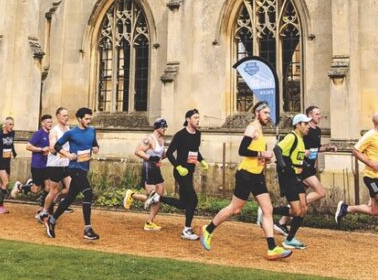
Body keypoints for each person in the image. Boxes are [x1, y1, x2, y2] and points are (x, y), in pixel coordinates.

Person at [200, 103, 292, 261]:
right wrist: (262, 153)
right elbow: (242, 150)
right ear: (257, 113)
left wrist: (264, 160)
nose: (268, 115)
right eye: (265, 112)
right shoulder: (252, 129)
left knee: (268, 209)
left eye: (269, 113)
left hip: (257, 175)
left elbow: (255, 155)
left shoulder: (260, 129)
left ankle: (272, 248)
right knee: (234, 209)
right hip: (246, 175)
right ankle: (207, 230)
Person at [335, 111, 378, 252]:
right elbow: (355, 150)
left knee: (375, 210)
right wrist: (370, 163)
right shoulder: (370, 135)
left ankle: (346, 209)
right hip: (372, 176)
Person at [276, 104, 335, 236]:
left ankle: (281, 223)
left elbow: (314, 149)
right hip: (301, 169)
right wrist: (285, 165)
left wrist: (327, 148)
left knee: (299, 204)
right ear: (308, 117)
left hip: (308, 167)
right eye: (316, 114)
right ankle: (283, 215)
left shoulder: (316, 131)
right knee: (320, 193)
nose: (320, 116)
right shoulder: (299, 134)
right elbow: (286, 149)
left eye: (320, 114)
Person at [43, 107, 100, 241]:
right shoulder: (71, 133)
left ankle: (52, 220)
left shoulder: (92, 131)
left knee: (70, 198)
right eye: (86, 118)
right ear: (80, 119)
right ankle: (87, 229)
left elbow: (95, 145)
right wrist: (68, 154)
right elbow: (57, 146)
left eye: (90, 118)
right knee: (88, 193)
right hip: (74, 168)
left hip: (84, 167)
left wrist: (96, 149)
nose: (88, 121)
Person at [265, 113, 312, 250]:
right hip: (289, 177)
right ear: (298, 125)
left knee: (303, 209)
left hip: (297, 177)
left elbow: (297, 158)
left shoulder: (301, 139)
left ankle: (290, 239)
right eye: (305, 124)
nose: (308, 126)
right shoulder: (292, 136)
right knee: (297, 211)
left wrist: (306, 166)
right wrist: (284, 166)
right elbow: (277, 149)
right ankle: (268, 211)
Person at [163, 109, 208, 241]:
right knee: (193, 200)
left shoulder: (198, 134)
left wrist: (202, 160)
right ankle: (187, 230)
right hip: (180, 172)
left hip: (190, 171)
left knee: (184, 204)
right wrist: (178, 166)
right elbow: (169, 153)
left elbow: (195, 151)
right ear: (188, 119)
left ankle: (157, 198)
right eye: (195, 117)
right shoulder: (180, 135)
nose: (198, 120)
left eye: (198, 117)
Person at [122, 119, 168, 231]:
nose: (165, 129)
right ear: (157, 127)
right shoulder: (149, 139)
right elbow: (138, 151)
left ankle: (149, 222)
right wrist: (150, 157)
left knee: (159, 198)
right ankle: (132, 195)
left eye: (166, 127)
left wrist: (170, 153)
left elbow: (161, 156)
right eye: (163, 127)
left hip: (156, 170)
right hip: (148, 169)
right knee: (152, 197)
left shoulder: (161, 140)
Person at [38, 107, 71, 222]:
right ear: (58, 117)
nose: (66, 118)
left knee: (71, 188)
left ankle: (56, 199)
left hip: (65, 164)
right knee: (53, 190)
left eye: (67, 115)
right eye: (64, 116)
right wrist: (64, 152)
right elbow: (52, 149)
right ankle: (43, 212)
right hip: (55, 165)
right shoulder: (54, 131)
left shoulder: (68, 129)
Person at [22, 114, 52, 207]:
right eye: (48, 122)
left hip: (46, 165)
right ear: (43, 123)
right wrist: (41, 149)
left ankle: (42, 207)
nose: (50, 124)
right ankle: (23, 187)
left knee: (48, 187)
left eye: (51, 122)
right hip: (37, 165)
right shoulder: (38, 134)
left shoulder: (50, 134)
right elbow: (28, 146)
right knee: (36, 189)